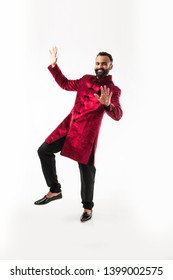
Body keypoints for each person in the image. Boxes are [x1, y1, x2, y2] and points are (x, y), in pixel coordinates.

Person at [34, 46, 123, 222]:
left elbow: (118, 115)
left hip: (86, 135)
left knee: (87, 171)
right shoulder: (85, 79)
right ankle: (55, 189)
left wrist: (107, 105)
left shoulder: (113, 90)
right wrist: (54, 66)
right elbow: (65, 84)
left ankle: (88, 207)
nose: (99, 66)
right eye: (97, 63)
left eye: (104, 64)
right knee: (43, 150)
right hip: (67, 127)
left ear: (110, 66)